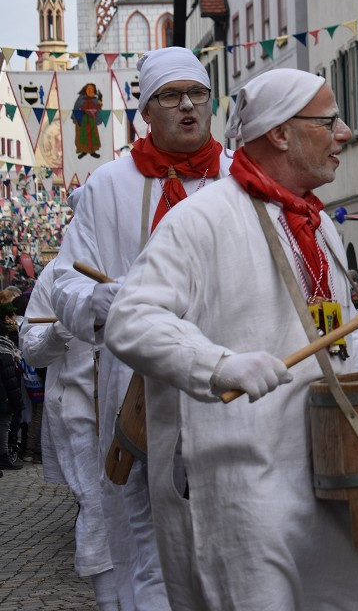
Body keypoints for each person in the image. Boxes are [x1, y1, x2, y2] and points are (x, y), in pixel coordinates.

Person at [105, 68, 358, 610]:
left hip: (331, 471)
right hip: (242, 482)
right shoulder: (200, 220)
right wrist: (218, 364)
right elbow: (131, 318)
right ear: (280, 134)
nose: (344, 133)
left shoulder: (318, 226)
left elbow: (329, 333)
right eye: (329, 121)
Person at [49, 46, 231, 610]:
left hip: (222, 373)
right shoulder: (108, 185)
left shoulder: (237, 178)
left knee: (224, 518)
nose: (187, 107)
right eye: (170, 97)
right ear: (145, 112)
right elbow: (63, 284)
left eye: (197, 94)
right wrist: (104, 296)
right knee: (142, 520)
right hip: (136, 383)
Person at [20, 258, 119, 609]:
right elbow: (31, 349)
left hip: (140, 407)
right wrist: (59, 330)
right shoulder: (57, 272)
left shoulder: (149, 245)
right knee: (96, 508)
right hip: (80, 411)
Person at [0, 299, 24, 471]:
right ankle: (3, 456)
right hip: (3, 396)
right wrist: (17, 403)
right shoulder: (5, 348)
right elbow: (10, 378)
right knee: (4, 425)